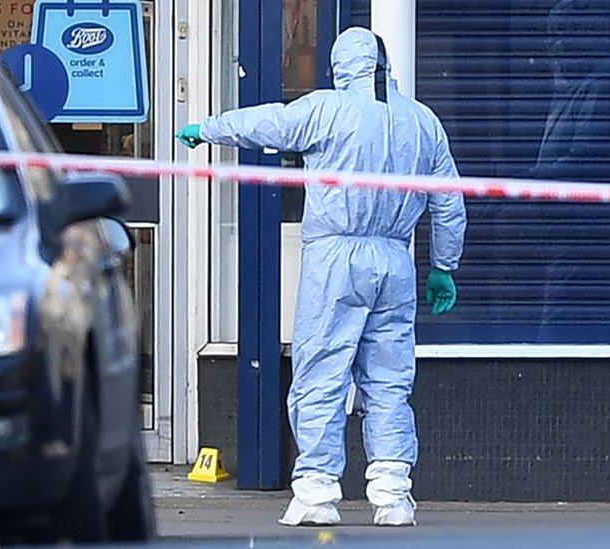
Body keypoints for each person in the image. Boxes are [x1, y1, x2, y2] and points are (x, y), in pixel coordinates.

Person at [176, 27, 467, 527]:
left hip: (336, 259)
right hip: (395, 262)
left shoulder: (325, 110)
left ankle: (316, 491)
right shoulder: (424, 123)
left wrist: (208, 128)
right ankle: (393, 494)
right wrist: (443, 266)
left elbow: (268, 124)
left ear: (340, 68)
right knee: (389, 380)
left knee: (321, 375)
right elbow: (449, 204)